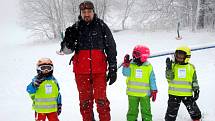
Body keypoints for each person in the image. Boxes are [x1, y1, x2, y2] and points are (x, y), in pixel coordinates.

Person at [60, 1, 117, 121]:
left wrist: (113, 67)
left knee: (101, 102)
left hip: (99, 72)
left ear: (93, 12)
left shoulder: (101, 26)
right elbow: (66, 51)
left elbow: (111, 47)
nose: (86, 14)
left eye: (89, 12)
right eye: (84, 12)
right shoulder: (76, 27)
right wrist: (67, 40)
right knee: (85, 103)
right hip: (81, 73)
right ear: (80, 13)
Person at [165, 45, 201, 121]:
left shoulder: (191, 67)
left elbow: (194, 80)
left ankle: (197, 119)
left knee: (194, 111)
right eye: (177, 55)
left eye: (181, 55)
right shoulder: (173, 66)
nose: (178, 57)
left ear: (187, 56)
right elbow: (169, 77)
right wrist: (168, 68)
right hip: (174, 94)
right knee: (171, 114)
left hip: (187, 94)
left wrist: (196, 89)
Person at [122, 45, 158, 121]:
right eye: (133, 53)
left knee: (146, 111)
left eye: (137, 54)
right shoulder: (131, 64)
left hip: (144, 95)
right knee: (132, 111)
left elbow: (152, 79)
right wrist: (126, 66)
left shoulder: (148, 66)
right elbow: (126, 74)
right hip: (132, 94)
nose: (134, 56)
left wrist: (154, 90)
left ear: (144, 56)